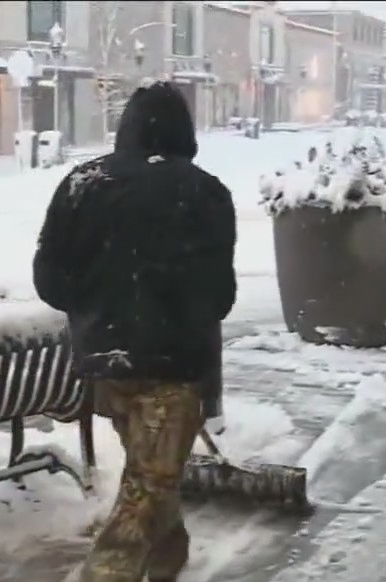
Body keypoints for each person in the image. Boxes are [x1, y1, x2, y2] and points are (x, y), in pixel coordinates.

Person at [32, 81, 237, 582]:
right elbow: (221, 295)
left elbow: (50, 279)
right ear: (184, 132)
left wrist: (100, 310)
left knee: (150, 474)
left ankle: (168, 562)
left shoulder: (82, 182)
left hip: (107, 360)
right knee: (148, 484)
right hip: (177, 366)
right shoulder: (206, 191)